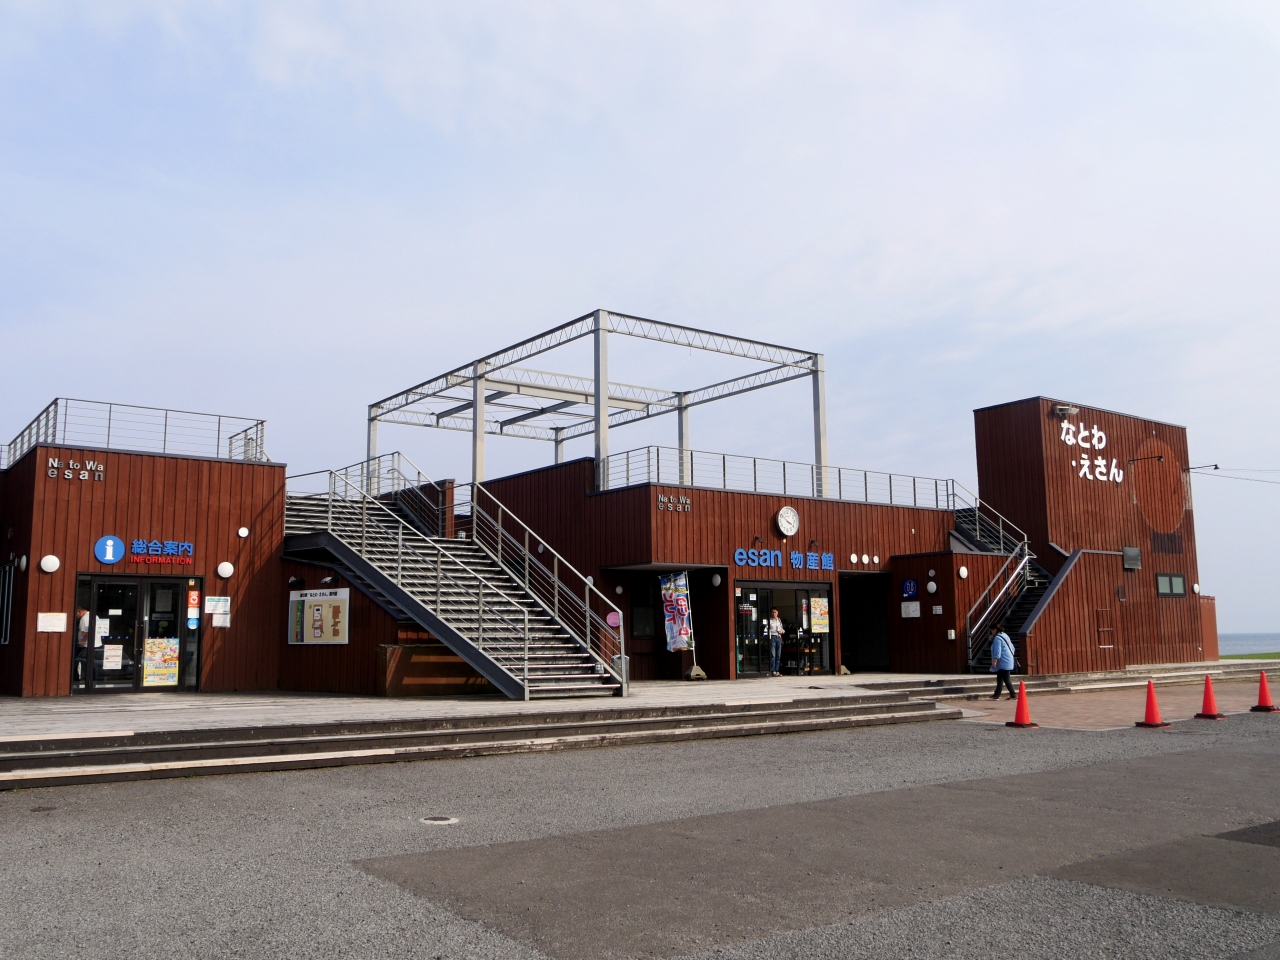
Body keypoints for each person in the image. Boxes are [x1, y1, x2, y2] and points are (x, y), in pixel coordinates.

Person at [990, 627, 1017, 700]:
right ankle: (996, 694)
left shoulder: (997, 638)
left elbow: (997, 650)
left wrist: (995, 661)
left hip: (1003, 661)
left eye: (991, 630)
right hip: (1008, 659)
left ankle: (1013, 695)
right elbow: (1012, 648)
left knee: (1006, 678)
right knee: (1000, 678)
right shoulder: (1005, 635)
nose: (991, 632)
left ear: (995, 630)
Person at [765, 608, 784, 676]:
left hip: (778, 637)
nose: (774, 614)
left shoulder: (779, 620)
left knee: (778, 655)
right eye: (772, 612)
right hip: (772, 637)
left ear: (777, 613)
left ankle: (777, 670)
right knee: (773, 655)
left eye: (775, 612)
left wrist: (782, 632)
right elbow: (765, 629)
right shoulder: (769, 621)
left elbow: (782, 629)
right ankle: (773, 671)